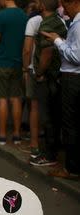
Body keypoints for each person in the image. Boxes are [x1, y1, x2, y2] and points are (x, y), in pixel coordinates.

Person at [41, 0, 80, 179]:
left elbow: (76, 56)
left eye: (66, 5)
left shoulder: (78, 24)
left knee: (70, 124)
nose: (64, 10)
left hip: (73, 78)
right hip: (72, 76)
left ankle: (71, 169)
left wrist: (57, 41)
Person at [29, 0, 67, 167]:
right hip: (58, 77)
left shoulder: (47, 24)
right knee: (55, 116)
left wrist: (39, 72)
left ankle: (49, 155)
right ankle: (55, 152)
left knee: (48, 117)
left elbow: (47, 51)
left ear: (42, 6)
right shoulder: (59, 20)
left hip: (48, 77)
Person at [0, 0, 28, 145]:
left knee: (3, 98)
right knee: (16, 97)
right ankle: (17, 134)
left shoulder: (1, 16)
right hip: (17, 62)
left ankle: (2, 134)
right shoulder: (24, 16)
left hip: (1, 62)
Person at [22, 13, 43, 159]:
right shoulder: (61, 19)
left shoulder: (34, 21)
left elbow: (27, 49)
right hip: (53, 71)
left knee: (34, 107)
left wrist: (25, 68)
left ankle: (34, 144)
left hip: (34, 70)